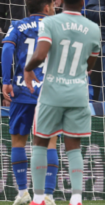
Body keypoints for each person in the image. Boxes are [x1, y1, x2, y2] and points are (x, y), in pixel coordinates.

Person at [23, 0, 101, 203]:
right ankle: (76, 198)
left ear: (61, 2)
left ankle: (38, 198)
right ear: (83, 3)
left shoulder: (50, 22)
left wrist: (27, 68)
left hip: (52, 92)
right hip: (78, 93)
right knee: (73, 146)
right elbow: (90, 64)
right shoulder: (94, 28)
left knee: (39, 142)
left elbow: (40, 55)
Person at [1, 0, 58, 204]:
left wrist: (6, 82)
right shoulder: (57, 26)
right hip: (50, 91)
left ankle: (23, 192)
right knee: (49, 142)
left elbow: (7, 50)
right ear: (46, 7)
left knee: (18, 141)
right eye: (52, 5)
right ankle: (48, 196)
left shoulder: (17, 25)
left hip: (22, 90)